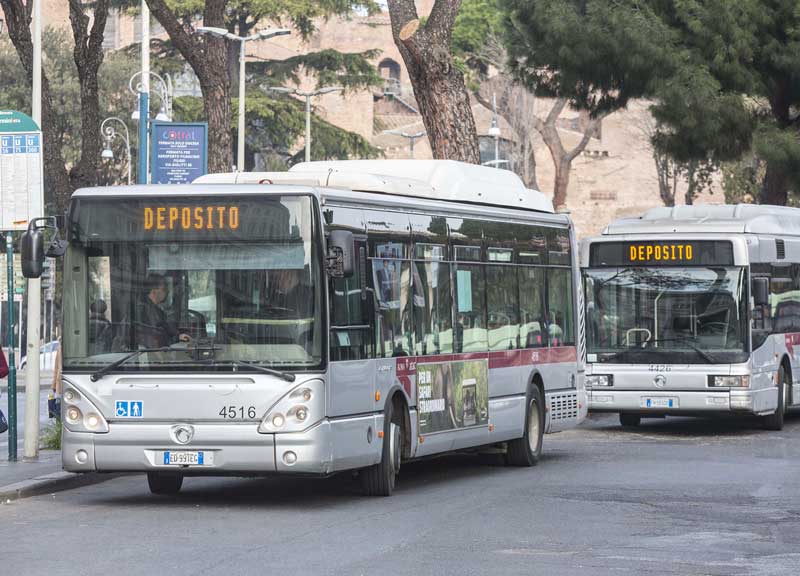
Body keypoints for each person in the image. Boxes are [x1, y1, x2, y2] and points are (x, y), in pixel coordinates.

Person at [132, 274, 191, 349]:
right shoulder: (142, 310)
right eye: (164, 289)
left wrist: (178, 337)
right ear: (153, 291)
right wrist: (175, 338)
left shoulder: (156, 310)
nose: (167, 291)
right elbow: (155, 337)